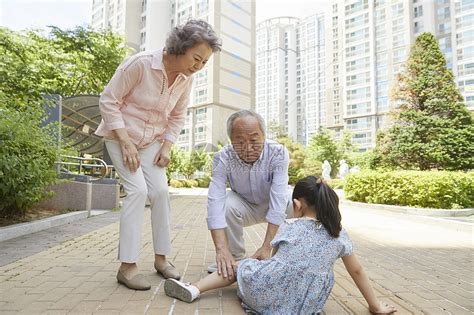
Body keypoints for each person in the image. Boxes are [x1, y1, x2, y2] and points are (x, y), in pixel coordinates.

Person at [95, 20, 221, 290]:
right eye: (196, 58)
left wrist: (166, 147)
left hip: (151, 140)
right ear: (180, 47)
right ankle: (127, 267)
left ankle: (162, 259)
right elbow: (108, 100)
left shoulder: (186, 79)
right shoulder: (139, 64)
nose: (199, 66)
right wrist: (126, 142)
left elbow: (177, 115)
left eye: (204, 62)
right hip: (121, 136)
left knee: (161, 193)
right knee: (138, 192)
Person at [164, 176, 398, 315]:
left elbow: (273, 261)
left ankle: (194, 288)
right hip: (305, 306)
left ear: (296, 205)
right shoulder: (339, 234)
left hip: (266, 295)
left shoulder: (289, 226)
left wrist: (250, 261)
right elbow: (356, 270)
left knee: (242, 266)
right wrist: (375, 305)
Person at [205, 110, 293, 278]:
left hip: (275, 204)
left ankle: (281, 257)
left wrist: (267, 246)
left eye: (254, 140)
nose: (248, 148)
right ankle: (232, 259)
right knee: (225, 203)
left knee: (294, 199)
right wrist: (221, 249)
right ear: (231, 140)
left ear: (264, 136)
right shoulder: (222, 158)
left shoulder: (278, 153)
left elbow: (279, 197)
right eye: (240, 141)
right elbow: (215, 200)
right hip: (245, 206)